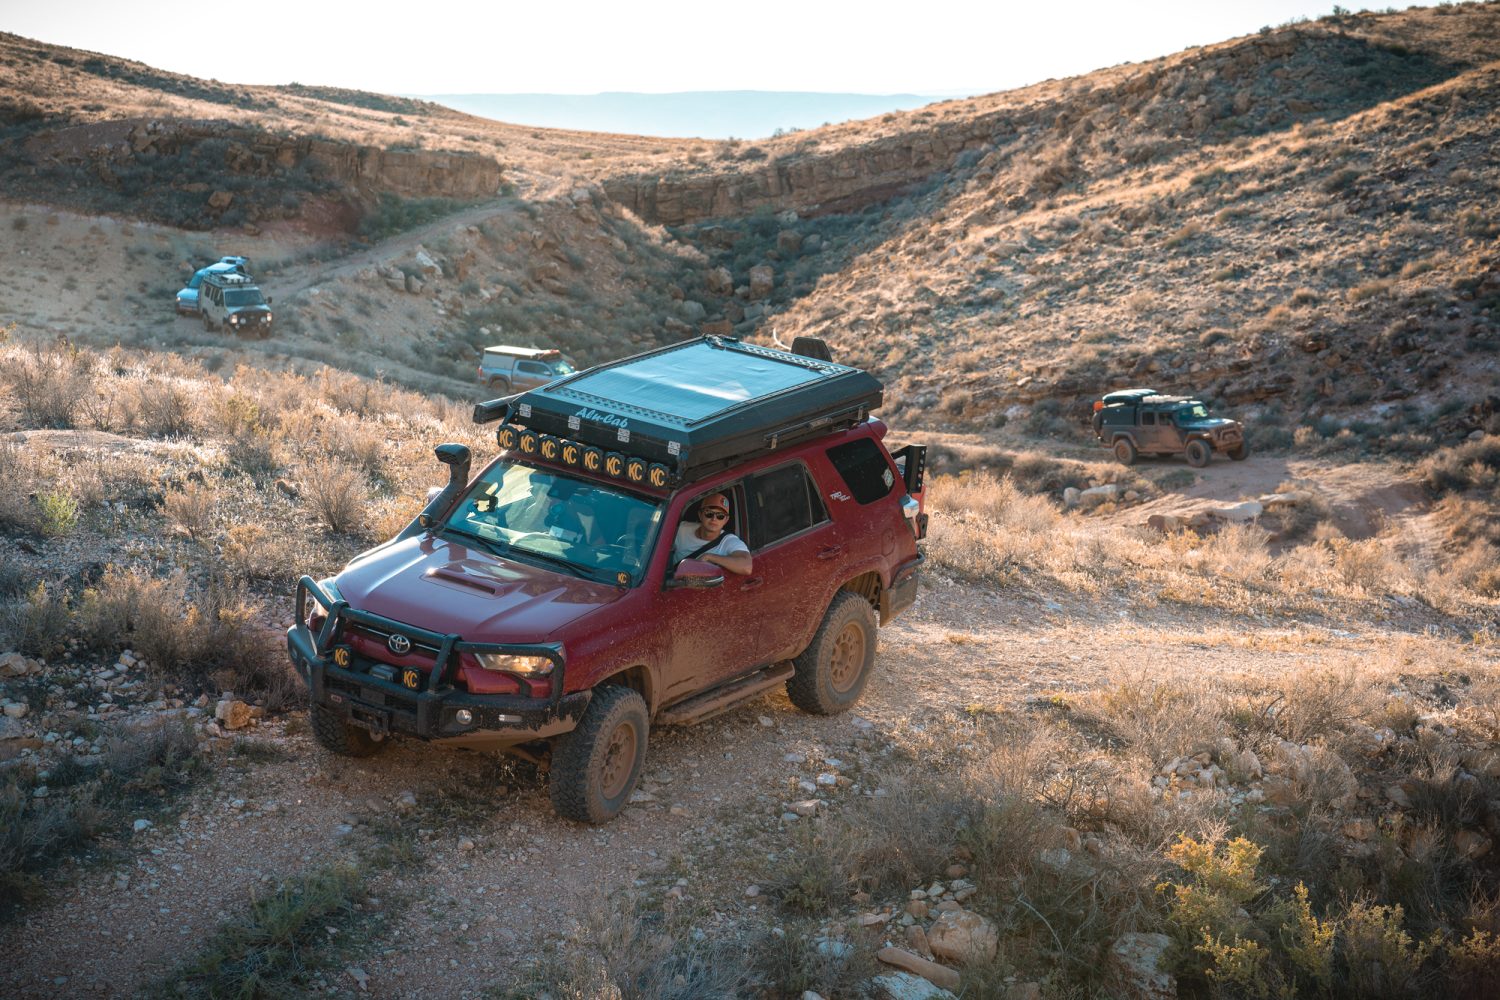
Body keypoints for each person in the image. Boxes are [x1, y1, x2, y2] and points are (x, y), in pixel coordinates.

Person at [671, 492, 752, 575]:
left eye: (720, 516)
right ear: (700, 515)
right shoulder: (681, 529)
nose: (714, 519)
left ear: (726, 520)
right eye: (709, 514)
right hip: (671, 580)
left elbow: (747, 567)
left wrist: (709, 556)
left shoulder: (729, 542)